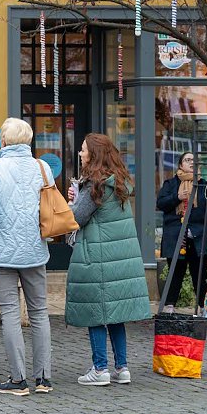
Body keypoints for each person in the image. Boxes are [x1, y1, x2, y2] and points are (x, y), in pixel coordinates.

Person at [0, 118, 52, 396]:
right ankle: (43, 378)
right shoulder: (43, 168)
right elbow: (49, 208)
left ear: (3, 141)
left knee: (10, 313)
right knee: (40, 313)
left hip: (2, 251)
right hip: (35, 250)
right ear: (28, 141)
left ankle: (18, 379)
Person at [66, 133, 151, 386]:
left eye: (83, 150)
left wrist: (71, 202)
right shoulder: (120, 181)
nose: (80, 154)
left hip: (98, 255)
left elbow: (77, 218)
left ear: (94, 154)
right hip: (119, 258)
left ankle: (100, 369)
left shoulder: (95, 184)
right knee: (115, 315)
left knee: (95, 312)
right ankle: (122, 368)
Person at [157, 151, 207, 312]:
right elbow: (161, 203)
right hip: (176, 236)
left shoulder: (204, 185)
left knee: (200, 274)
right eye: (188, 160)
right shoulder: (171, 184)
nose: (191, 163)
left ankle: (203, 308)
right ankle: (169, 307)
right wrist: (177, 197)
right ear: (181, 165)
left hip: (198, 236)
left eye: (194, 161)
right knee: (175, 273)